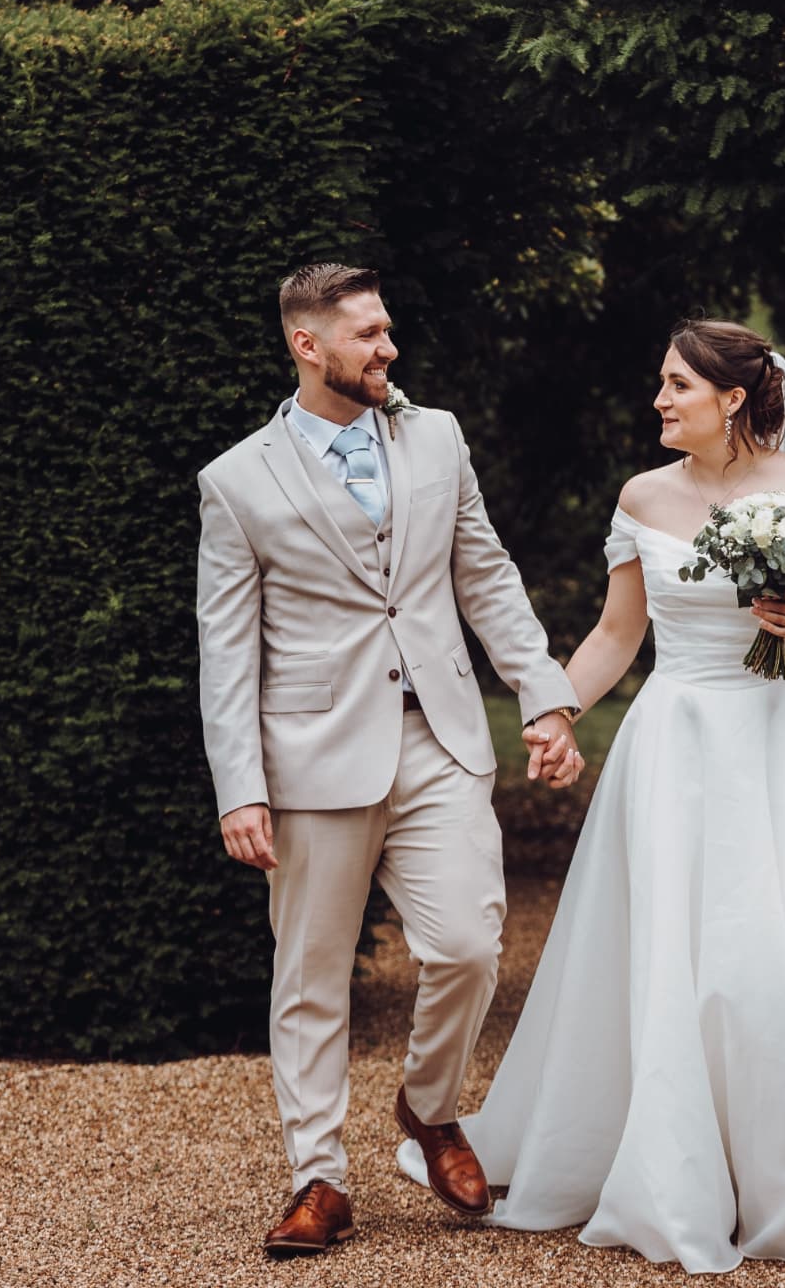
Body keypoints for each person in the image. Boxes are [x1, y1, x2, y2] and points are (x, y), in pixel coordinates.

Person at [398, 318, 785, 1272]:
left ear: (732, 398)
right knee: (675, 962)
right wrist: (553, 714)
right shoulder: (643, 495)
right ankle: (676, 1167)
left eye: (677, 384)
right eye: (661, 382)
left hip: (783, 747)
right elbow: (614, 636)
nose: (660, 400)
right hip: (676, 744)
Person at [196, 263, 585, 1257]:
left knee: (468, 944)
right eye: (367, 334)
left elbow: (485, 573)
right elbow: (227, 648)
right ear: (307, 345)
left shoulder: (438, 437)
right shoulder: (237, 481)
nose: (389, 348)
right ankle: (318, 1180)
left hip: (443, 738)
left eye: (388, 328)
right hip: (313, 754)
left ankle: (429, 1104)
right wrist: (240, 786)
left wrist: (542, 693)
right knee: (313, 975)